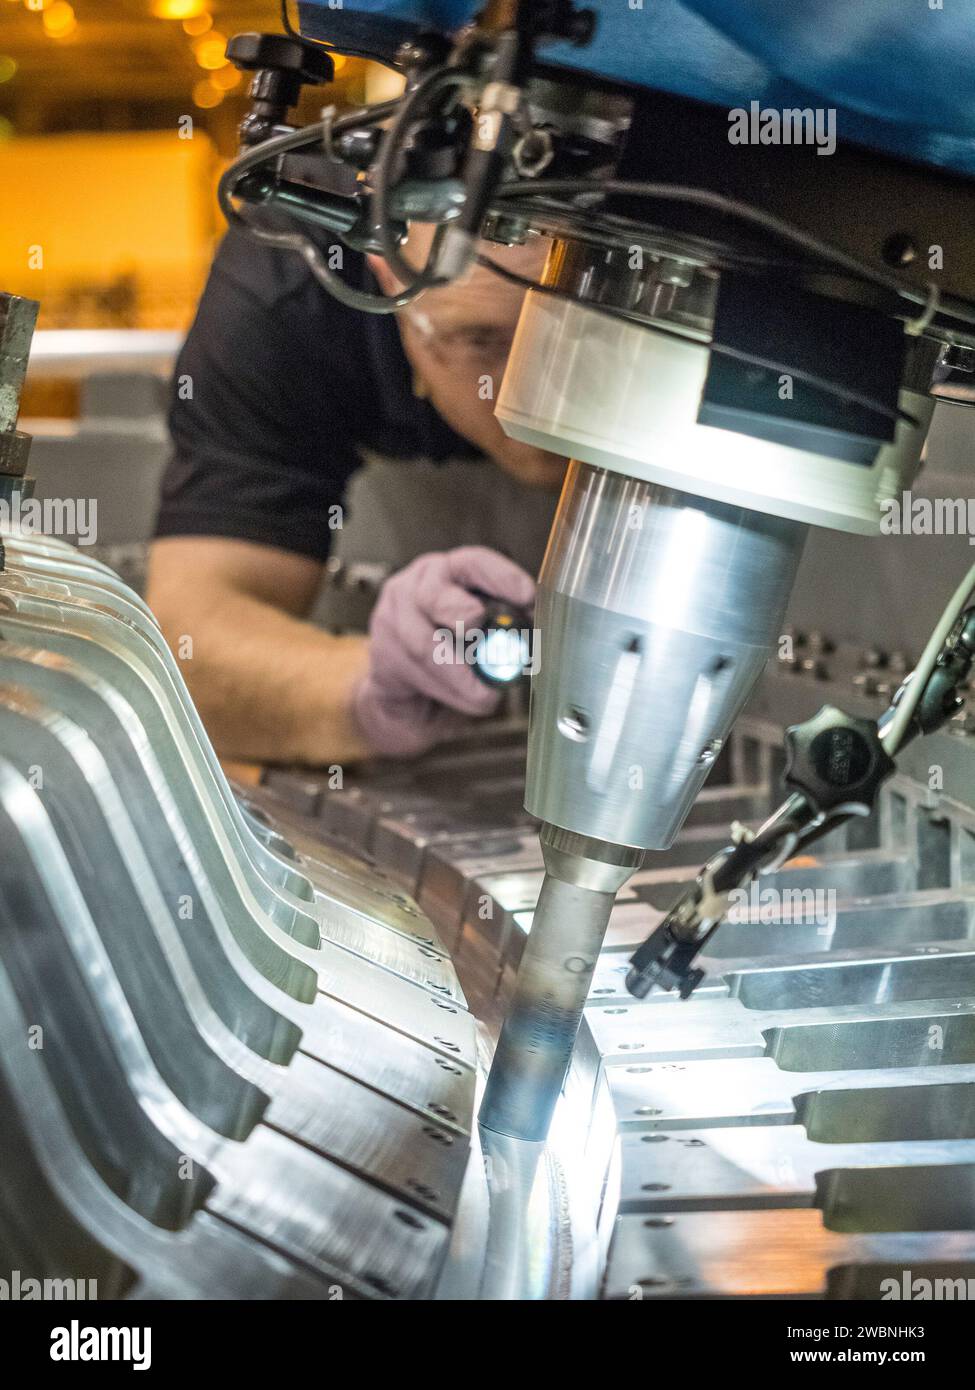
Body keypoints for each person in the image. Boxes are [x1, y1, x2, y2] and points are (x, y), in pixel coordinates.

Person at [147, 223, 567, 765]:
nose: (532, 393)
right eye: (478, 340)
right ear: (387, 273)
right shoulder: (294, 276)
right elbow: (191, 642)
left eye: (570, 334)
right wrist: (367, 688)